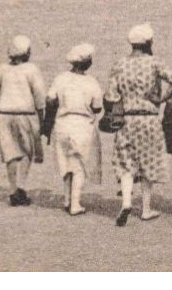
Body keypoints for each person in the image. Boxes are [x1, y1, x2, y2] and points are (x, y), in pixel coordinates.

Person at [105, 23, 172, 226]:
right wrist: (161, 98)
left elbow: (111, 95)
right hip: (149, 118)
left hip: (127, 119)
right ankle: (146, 209)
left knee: (126, 163)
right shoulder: (155, 63)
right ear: (148, 42)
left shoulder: (119, 64)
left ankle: (126, 202)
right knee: (149, 163)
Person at [45, 43, 104, 216]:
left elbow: (50, 100)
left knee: (65, 163)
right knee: (79, 166)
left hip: (62, 124)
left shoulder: (60, 78)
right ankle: (75, 204)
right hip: (82, 126)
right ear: (87, 63)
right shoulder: (92, 82)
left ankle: (66, 198)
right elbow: (97, 107)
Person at [0, 35, 46, 207]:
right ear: (26, 52)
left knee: (10, 153)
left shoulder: (1, 69)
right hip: (25, 115)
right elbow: (39, 95)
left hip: (4, 115)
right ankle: (21, 187)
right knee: (27, 151)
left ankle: (13, 189)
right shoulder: (31, 69)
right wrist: (42, 117)